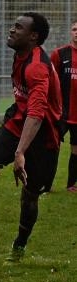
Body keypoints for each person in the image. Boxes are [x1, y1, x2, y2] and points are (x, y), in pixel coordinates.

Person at [0, 12, 61, 262]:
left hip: (43, 135)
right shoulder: (20, 54)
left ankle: (19, 245)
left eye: (18, 28)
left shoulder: (37, 68)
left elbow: (37, 113)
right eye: (13, 26)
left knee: (29, 194)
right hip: (17, 122)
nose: (11, 30)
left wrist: (20, 152)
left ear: (33, 37)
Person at [50, 19, 77, 192]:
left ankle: (71, 185)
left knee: (76, 151)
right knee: (52, 147)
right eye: (74, 29)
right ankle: (46, 184)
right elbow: (51, 81)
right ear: (71, 32)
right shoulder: (60, 54)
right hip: (61, 112)